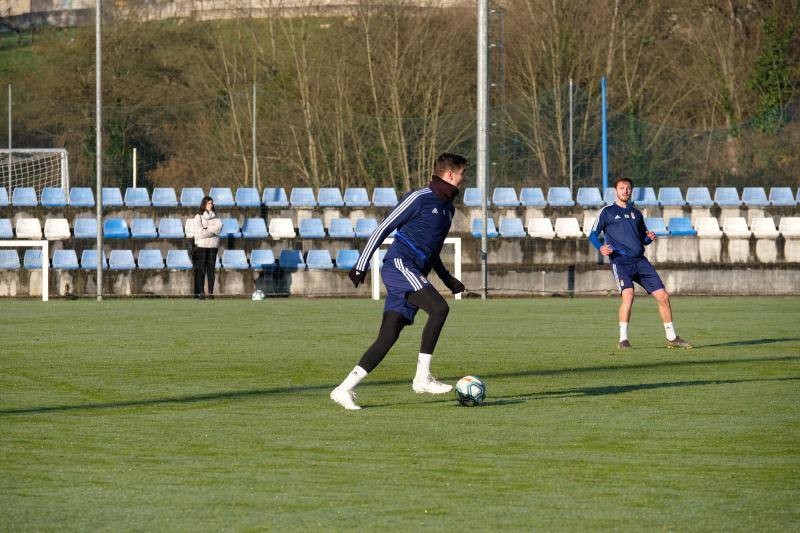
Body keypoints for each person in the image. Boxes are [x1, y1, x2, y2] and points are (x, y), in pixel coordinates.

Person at [330, 153, 468, 410]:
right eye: (462, 173)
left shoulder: (448, 209)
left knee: (387, 337)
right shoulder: (419, 198)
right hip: (399, 266)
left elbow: (432, 250)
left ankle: (343, 389)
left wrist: (448, 279)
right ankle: (421, 378)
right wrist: (361, 265)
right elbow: (382, 228)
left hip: (413, 272)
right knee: (439, 309)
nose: (464, 178)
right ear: (450, 174)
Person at [589, 177, 692, 350]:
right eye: (622, 188)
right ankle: (623, 340)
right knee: (628, 295)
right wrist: (600, 247)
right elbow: (592, 234)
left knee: (663, 296)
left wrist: (649, 238)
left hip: (640, 262)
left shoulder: (636, 214)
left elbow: (642, 239)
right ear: (616, 190)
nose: (625, 191)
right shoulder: (606, 212)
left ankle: (672, 337)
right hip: (621, 262)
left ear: (631, 190)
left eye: (628, 188)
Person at [192, 196, 222, 299]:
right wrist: (212, 231)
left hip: (213, 246)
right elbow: (199, 233)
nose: (211, 205)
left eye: (212, 203)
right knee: (201, 270)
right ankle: (201, 292)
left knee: (211, 270)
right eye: (209, 203)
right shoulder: (198, 217)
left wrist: (207, 229)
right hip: (202, 247)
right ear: (204, 204)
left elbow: (219, 228)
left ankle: (210, 292)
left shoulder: (216, 217)